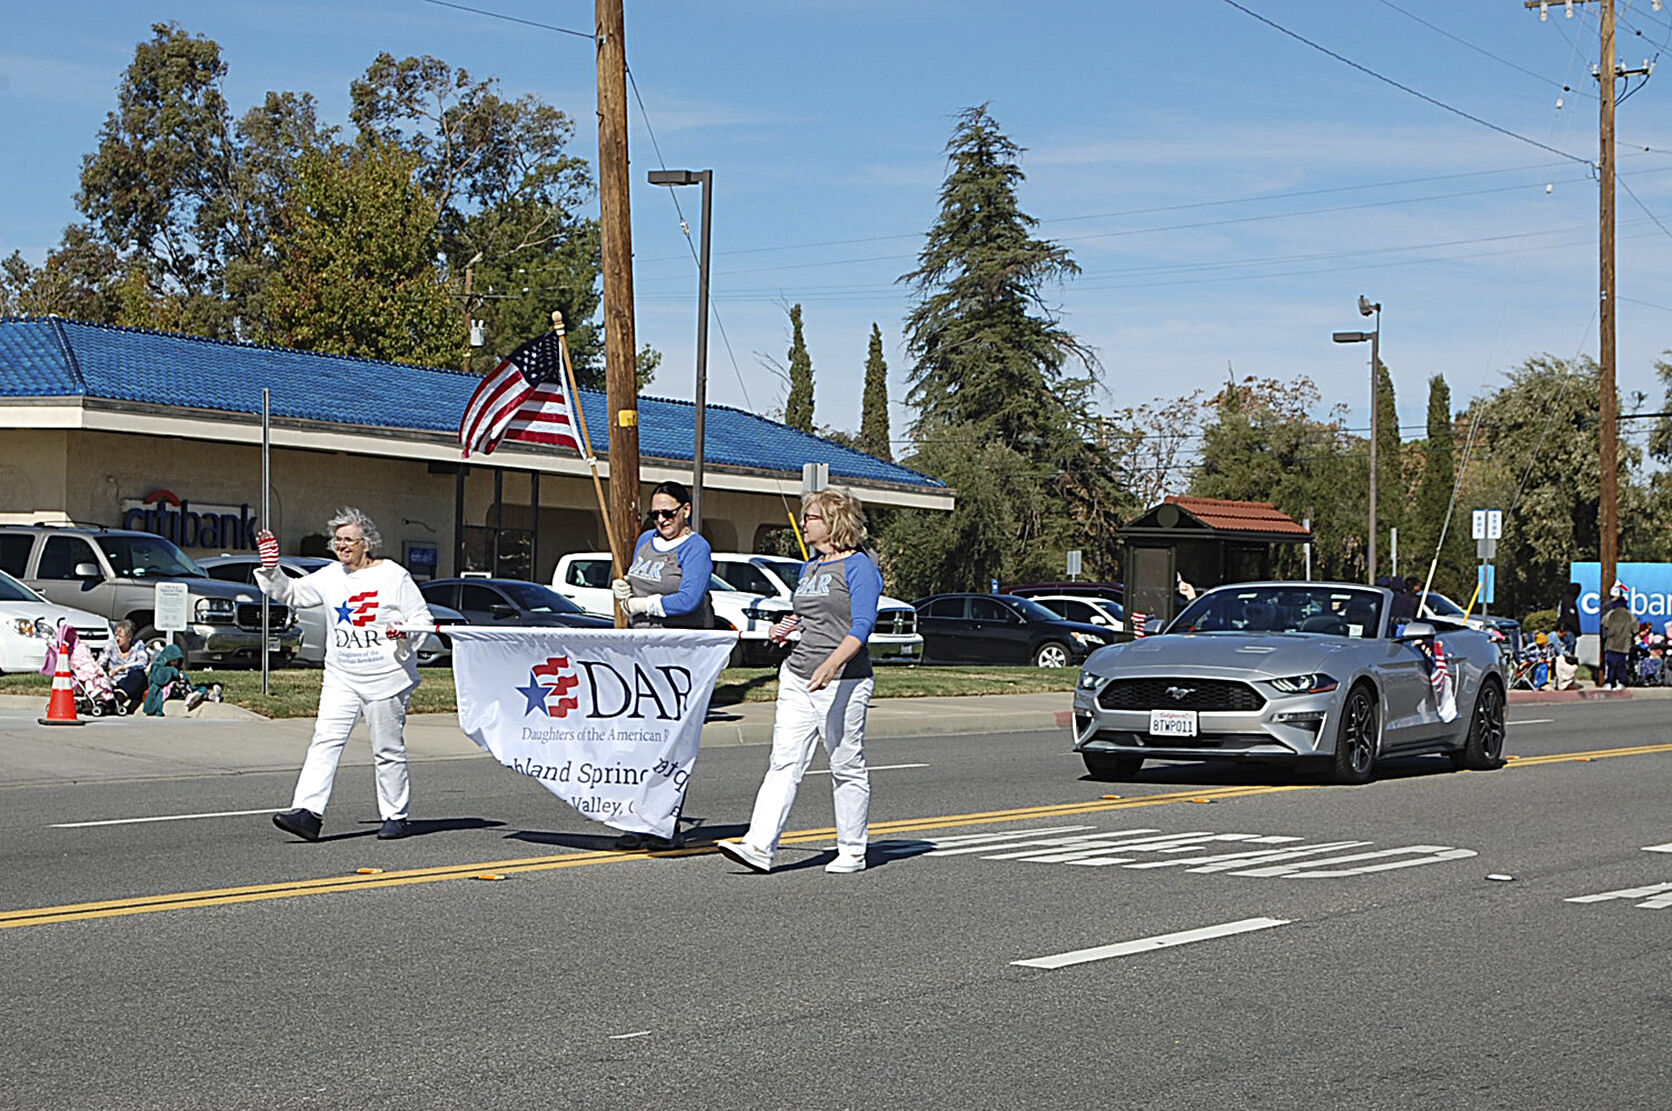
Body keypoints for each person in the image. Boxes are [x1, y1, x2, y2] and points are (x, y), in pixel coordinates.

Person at [717, 489, 883, 875]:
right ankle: (759, 845)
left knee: (845, 765)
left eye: (810, 517)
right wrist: (785, 628)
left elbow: (862, 626)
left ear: (833, 522)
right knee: (784, 762)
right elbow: (807, 614)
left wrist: (832, 664)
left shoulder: (859, 568)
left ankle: (853, 850)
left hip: (843, 681)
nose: (803, 523)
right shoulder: (812, 566)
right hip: (797, 675)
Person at [256, 508, 433, 842]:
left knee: (386, 749)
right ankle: (307, 813)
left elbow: (420, 617)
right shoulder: (329, 576)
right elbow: (292, 593)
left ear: (366, 543)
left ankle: (395, 815)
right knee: (325, 739)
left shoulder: (393, 576)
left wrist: (404, 632)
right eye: (337, 540)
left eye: (348, 540)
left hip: (387, 674)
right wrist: (271, 569)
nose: (342, 546)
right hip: (342, 675)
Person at [611, 480, 715, 630]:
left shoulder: (696, 547)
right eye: (654, 514)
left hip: (678, 641)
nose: (661, 520)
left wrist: (644, 605)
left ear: (685, 510)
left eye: (667, 513)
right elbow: (641, 577)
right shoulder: (646, 539)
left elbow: (688, 600)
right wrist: (626, 584)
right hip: (640, 636)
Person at [99, 618, 150, 711]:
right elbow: (101, 662)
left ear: (129, 637)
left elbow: (143, 662)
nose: (117, 639)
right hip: (114, 680)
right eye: (116, 635)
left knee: (139, 675)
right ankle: (113, 700)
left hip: (130, 679)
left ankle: (119, 699)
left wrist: (123, 667)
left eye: (121, 636)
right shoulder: (110, 645)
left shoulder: (138, 645)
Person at [1600, 586, 1635, 690]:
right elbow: (1635, 627)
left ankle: (1609, 682)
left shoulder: (1609, 612)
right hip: (1624, 643)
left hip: (1611, 641)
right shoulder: (1628, 614)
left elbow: (1604, 623)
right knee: (1621, 664)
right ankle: (1620, 682)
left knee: (1610, 663)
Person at [1554, 582, 1582, 655]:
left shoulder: (1565, 600)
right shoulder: (1569, 601)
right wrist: (1576, 630)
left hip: (1565, 629)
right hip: (1568, 630)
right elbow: (1569, 617)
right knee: (1569, 649)